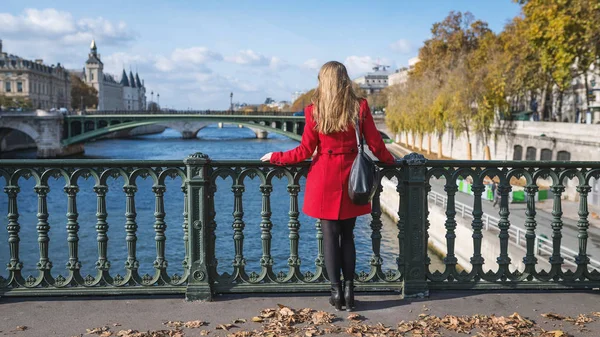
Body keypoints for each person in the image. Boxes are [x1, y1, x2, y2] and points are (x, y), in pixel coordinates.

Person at [260, 61, 395, 311]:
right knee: (349, 238)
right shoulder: (360, 106)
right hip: (354, 179)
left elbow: (304, 151)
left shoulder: (314, 110)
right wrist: (392, 162)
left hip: (324, 178)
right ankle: (350, 291)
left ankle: (336, 294)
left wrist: (276, 156)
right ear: (345, 79)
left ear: (323, 81)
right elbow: (376, 144)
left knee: (330, 238)